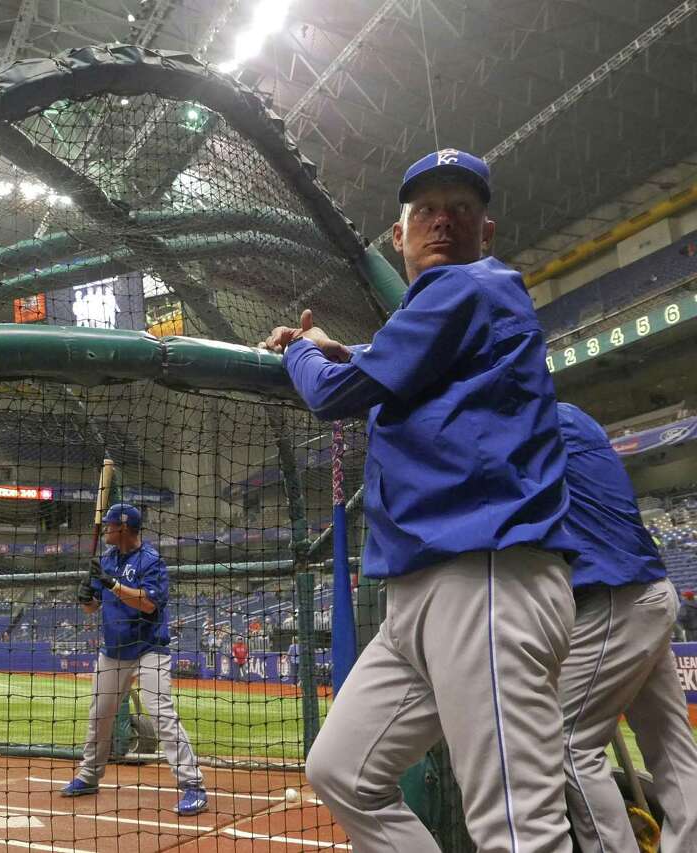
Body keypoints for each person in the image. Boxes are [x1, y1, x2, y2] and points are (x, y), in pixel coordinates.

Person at [265, 148, 579, 852]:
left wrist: (301, 352)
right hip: (421, 595)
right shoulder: (447, 317)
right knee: (343, 769)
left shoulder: (472, 286)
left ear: (485, 231)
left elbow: (335, 394)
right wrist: (344, 351)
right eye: (425, 212)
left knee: (517, 829)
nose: (443, 221)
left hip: (486, 574)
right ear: (399, 236)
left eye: (461, 210)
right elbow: (390, 372)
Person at [555, 402, 697, 852]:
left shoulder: (532, 423)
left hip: (613, 596)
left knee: (565, 742)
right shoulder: (573, 415)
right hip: (651, 593)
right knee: (672, 745)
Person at [60, 503, 207, 816]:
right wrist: (87, 596)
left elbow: (149, 604)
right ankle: (89, 775)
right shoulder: (108, 559)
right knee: (100, 715)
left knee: (160, 712)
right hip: (113, 650)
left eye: (111, 526)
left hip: (148, 647)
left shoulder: (151, 560)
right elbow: (93, 606)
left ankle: (193, 785)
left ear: (123, 528)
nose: (107, 531)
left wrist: (112, 584)